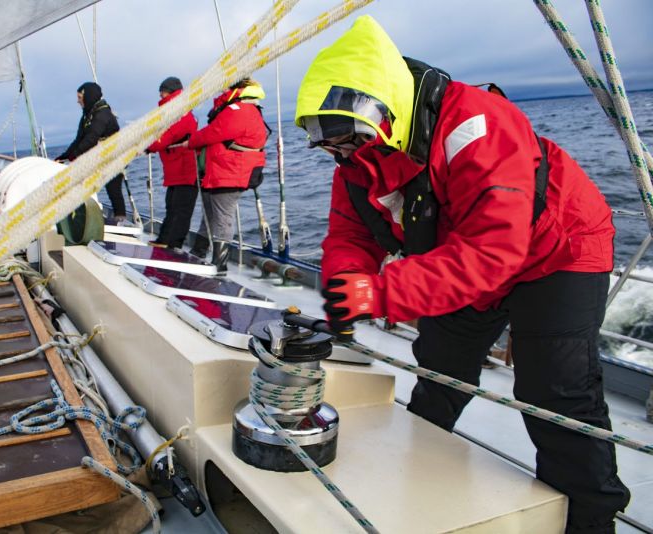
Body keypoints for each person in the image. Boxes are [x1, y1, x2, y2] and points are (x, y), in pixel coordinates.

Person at [294, 16, 629, 533]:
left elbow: (494, 250)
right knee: (440, 370)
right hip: (460, 258)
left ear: (385, 114)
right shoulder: (357, 162)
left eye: (349, 140)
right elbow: (348, 235)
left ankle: (588, 521)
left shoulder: (478, 124)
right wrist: (345, 283)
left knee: (556, 393)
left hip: (558, 250)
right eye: (329, 145)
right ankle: (420, 486)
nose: (340, 153)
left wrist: (378, 293)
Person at [187, 78, 268, 272]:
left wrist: (191, 141)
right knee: (211, 213)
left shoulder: (238, 111)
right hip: (221, 172)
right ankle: (199, 251)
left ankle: (219, 264)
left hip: (229, 172)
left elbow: (214, 132)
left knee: (222, 216)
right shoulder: (244, 110)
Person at [55, 82, 126, 223]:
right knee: (84, 185)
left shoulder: (102, 114)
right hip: (98, 158)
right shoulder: (87, 116)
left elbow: (91, 138)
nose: (78, 101)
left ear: (88, 96)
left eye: (80, 97)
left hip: (113, 157)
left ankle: (121, 219)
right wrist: (65, 155)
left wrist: (74, 156)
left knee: (114, 189)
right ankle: (80, 215)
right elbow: (79, 139)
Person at [145, 76, 198, 249]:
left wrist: (147, 146)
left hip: (186, 169)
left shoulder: (181, 114)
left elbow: (167, 136)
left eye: (163, 93)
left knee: (181, 210)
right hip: (175, 170)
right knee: (171, 206)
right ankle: (164, 240)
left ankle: (174, 245)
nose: (161, 96)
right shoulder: (172, 114)